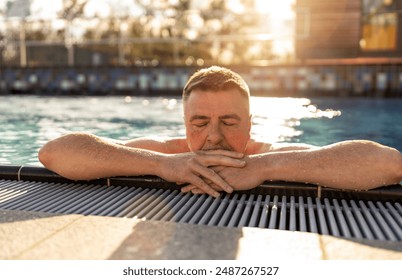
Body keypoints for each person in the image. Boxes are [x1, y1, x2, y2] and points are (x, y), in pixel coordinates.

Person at [38, 66, 402, 198]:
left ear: (250, 124)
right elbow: (54, 153)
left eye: (229, 122)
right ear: (184, 124)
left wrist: (263, 169)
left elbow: (389, 164)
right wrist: (163, 166)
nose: (212, 137)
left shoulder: (271, 156)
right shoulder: (165, 154)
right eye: (199, 123)